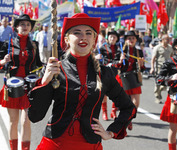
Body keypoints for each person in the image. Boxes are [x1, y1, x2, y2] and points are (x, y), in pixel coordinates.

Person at [28, 13, 136, 150]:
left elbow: (128, 107)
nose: (83, 37)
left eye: (88, 33)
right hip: (54, 144)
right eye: (77, 33)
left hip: (90, 145)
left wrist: (111, 132)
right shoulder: (54, 69)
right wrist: (44, 81)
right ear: (67, 39)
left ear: (94, 39)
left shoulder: (104, 73)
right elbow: (35, 116)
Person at [0, 14, 40, 150]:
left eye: (28, 25)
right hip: (12, 87)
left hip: (29, 87)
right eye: (22, 24)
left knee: (26, 122)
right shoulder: (8, 44)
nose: (25, 27)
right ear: (16, 27)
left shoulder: (34, 45)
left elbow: (39, 64)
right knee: (13, 121)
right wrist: (3, 61)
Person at [117, 30, 144, 130]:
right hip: (123, 78)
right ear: (126, 40)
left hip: (135, 77)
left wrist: (141, 64)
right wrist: (120, 60)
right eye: (129, 38)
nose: (131, 40)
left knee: (136, 103)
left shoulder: (139, 51)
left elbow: (143, 68)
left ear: (136, 39)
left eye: (133, 38)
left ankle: (129, 119)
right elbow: (116, 65)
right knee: (125, 103)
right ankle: (123, 121)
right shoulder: (121, 50)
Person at [97, 30, 121, 120]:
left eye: (114, 37)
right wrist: (98, 57)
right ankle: (104, 112)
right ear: (108, 38)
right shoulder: (103, 47)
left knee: (116, 92)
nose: (112, 38)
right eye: (111, 37)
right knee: (104, 93)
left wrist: (121, 59)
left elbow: (120, 61)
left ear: (117, 39)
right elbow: (98, 58)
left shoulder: (120, 48)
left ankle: (113, 111)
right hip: (106, 71)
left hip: (116, 71)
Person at [150, 34, 173, 104]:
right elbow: (153, 59)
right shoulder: (157, 47)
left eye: (169, 39)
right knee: (158, 83)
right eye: (167, 39)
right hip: (159, 68)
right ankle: (158, 97)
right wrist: (152, 68)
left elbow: (172, 57)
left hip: (168, 68)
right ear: (162, 40)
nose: (168, 41)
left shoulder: (170, 48)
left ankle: (161, 89)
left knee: (165, 84)